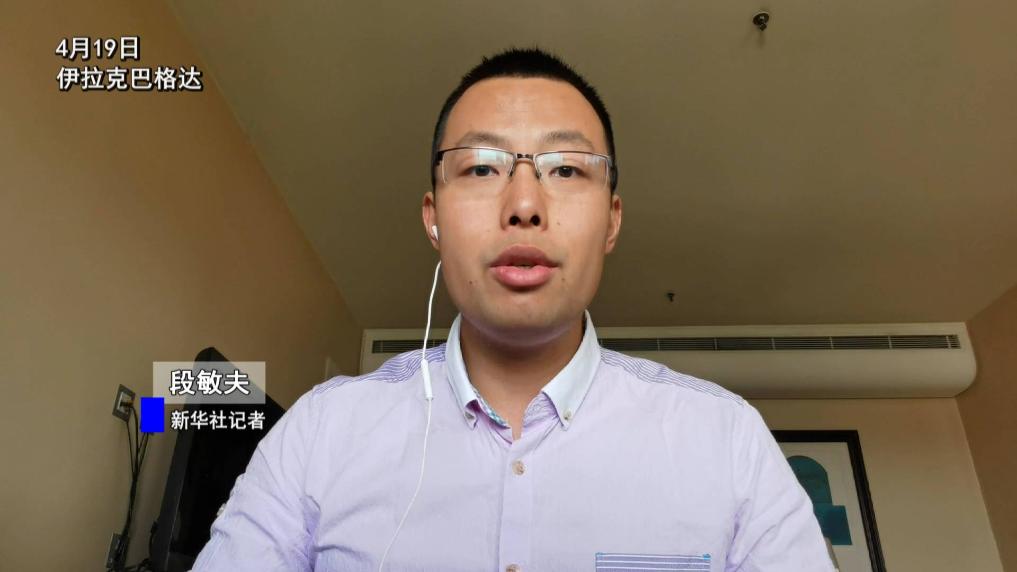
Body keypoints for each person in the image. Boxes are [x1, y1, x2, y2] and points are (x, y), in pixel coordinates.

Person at [192, 47, 835, 571]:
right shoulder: (321, 433)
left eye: (566, 169)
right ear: (433, 218)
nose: (524, 204)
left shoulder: (726, 441)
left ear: (612, 220)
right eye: (481, 168)